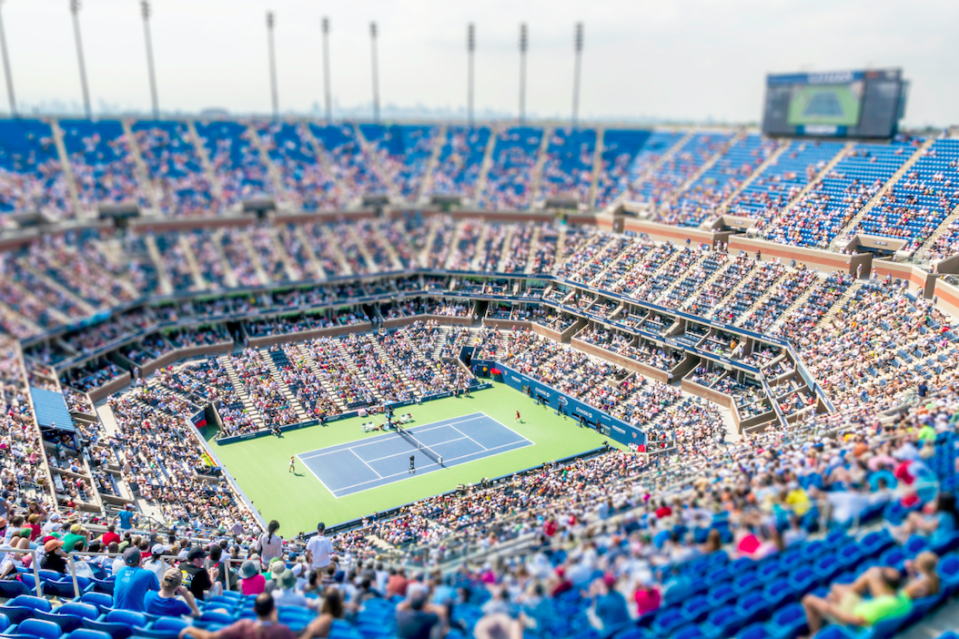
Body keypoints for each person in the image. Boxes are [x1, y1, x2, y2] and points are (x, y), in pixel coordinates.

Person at [801, 552, 940, 635]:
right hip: (864, 606)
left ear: (884, 587)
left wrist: (830, 608)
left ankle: (815, 635)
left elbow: (856, 621)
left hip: (853, 619)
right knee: (836, 590)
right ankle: (832, 603)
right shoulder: (905, 602)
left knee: (808, 599)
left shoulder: (884, 604)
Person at [178, 593, 296, 639]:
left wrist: (190, 629)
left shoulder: (244, 626)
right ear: (273, 610)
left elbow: (211, 636)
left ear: (254, 610)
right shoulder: (283, 631)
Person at [113, 546, 161, 612]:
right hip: (137, 618)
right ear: (141, 558)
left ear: (125, 562)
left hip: (115, 616)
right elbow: (160, 595)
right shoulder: (148, 574)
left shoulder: (121, 570)